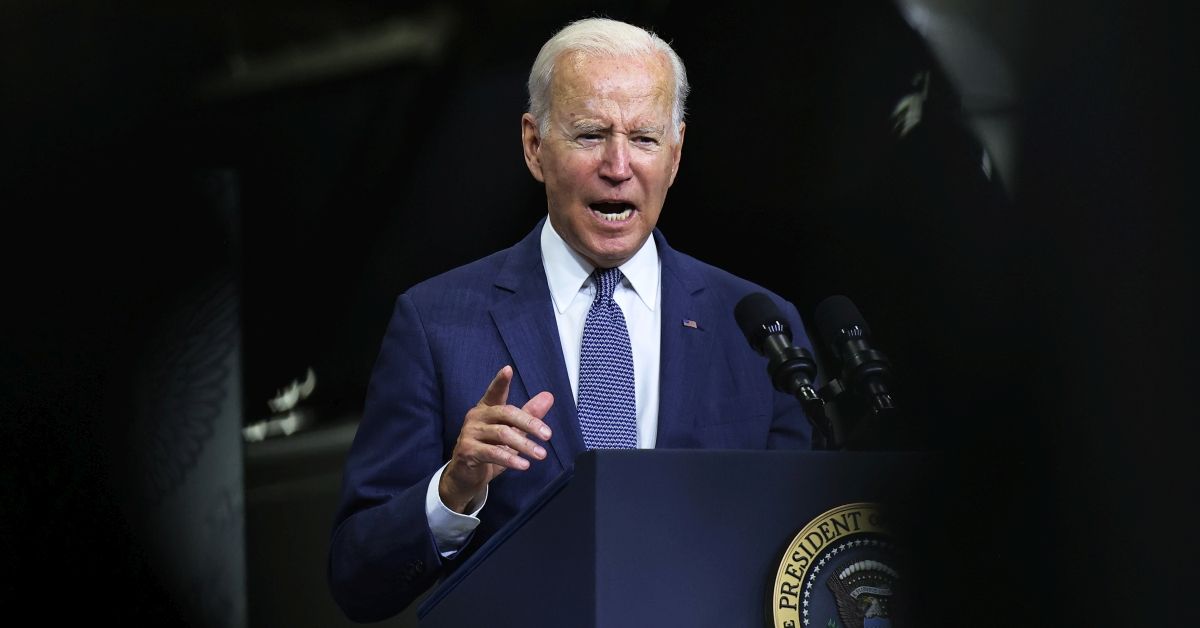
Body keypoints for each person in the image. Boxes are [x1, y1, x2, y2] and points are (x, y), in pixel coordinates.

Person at [327, 16, 816, 622]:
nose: (618, 165)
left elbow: (806, 548)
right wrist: (452, 491)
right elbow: (357, 575)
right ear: (534, 146)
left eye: (643, 138)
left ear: (677, 152)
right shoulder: (435, 324)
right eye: (589, 135)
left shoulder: (758, 328)